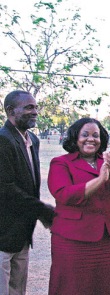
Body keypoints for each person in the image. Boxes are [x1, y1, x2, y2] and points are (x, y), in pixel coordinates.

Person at [47, 118, 110, 295]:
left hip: (107, 239)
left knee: (105, 286)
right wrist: (99, 180)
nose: (91, 139)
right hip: (72, 239)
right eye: (85, 135)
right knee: (72, 287)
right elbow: (65, 194)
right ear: (75, 138)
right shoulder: (61, 163)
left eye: (96, 135)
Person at [0, 90, 55, 295]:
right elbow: (5, 188)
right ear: (10, 111)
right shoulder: (2, 140)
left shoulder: (32, 139)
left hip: (23, 231)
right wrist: (42, 210)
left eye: (36, 107)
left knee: (17, 290)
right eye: (29, 107)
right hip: (3, 231)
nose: (35, 112)